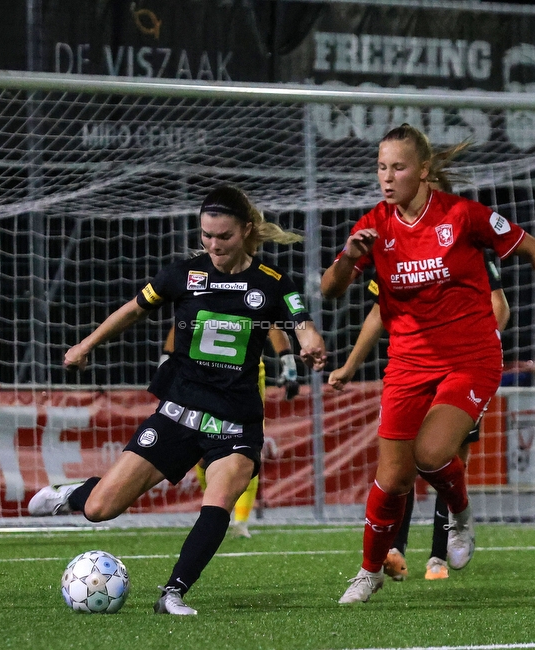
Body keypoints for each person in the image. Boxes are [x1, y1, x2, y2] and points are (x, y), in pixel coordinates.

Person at [320, 123, 535, 604]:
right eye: (381, 167)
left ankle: (461, 515)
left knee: (431, 452)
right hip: (407, 363)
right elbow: (330, 290)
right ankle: (368, 573)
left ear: (423, 171)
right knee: (391, 478)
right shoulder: (374, 225)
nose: (387, 177)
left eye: (398, 167)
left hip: (470, 358)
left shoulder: (463, 216)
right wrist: (347, 256)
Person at [28, 185, 327, 616]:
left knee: (220, 498)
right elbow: (132, 309)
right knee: (100, 509)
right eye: (206, 235)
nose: (214, 245)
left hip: (235, 422)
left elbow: (300, 322)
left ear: (245, 231)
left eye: (223, 236)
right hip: (179, 411)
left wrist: (310, 341)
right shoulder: (184, 275)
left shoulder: (273, 282)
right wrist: (86, 344)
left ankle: (173, 593)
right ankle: (73, 495)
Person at [330, 249, 510, 581]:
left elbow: (498, 305)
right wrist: (351, 364)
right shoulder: (395, 251)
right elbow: (377, 314)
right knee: (403, 463)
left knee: (446, 459)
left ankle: (439, 556)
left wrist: (476, 351)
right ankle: (396, 548)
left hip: (459, 373)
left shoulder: (467, 246)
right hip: (414, 372)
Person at [161, 325, 300, 539]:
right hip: (203, 369)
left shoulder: (255, 292)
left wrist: (288, 366)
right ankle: (215, 512)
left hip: (246, 371)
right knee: (201, 442)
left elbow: (271, 323)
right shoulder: (199, 292)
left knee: (246, 445)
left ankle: (240, 521)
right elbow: (182, 319)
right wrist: (166, 361)